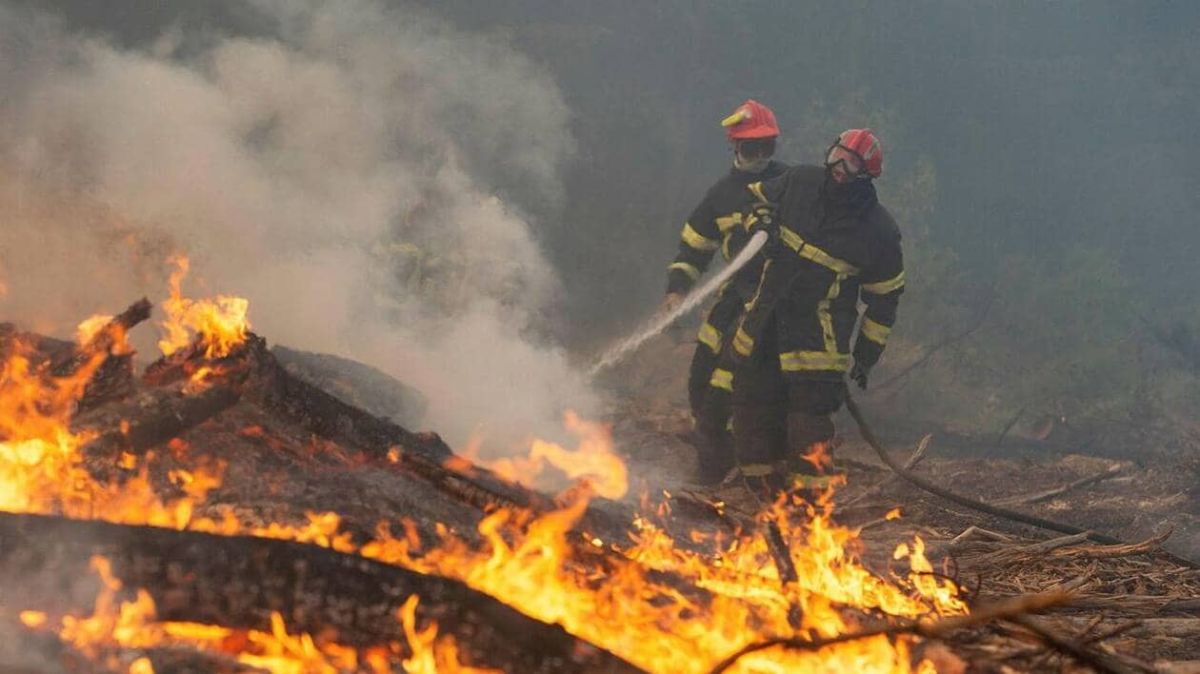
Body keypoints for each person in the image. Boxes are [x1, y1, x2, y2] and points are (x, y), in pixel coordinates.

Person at [720, 128, 904, 496]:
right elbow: (754, 201)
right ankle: (761, 505)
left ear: (867, 175)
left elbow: (884, 299)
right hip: (761, 329)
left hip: (816, 347)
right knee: (751, 415)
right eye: (838, 154)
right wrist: (762, 224)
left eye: (852, 163)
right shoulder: (799, 181)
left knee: (807, 432)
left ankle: (808, 515)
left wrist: (866, 356)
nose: (840, 166)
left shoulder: (878, 231)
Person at [661, 100, 789, 485]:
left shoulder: (790, 185)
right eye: (752, 148)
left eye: (767, 147)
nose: (760, 156)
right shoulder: (720, 196)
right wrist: (677, 291)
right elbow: (693, 249)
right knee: (703, 372)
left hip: (778, 301)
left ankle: (739, 465)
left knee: (744, 383)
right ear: (735, 147)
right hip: (736, 296)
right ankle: (718, 458)